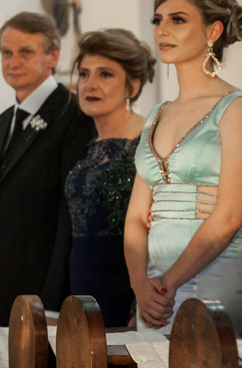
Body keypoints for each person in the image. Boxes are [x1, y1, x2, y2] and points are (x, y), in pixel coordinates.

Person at [126, 0, 242, 333]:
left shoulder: (238, 108)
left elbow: (229, 216)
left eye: (178, 20)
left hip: (215, 278)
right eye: (157, 20)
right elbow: (135, 217)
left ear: (213, 31)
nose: (162, 30)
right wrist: (140, 285)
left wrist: (167, 284)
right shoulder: (156, 115)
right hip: (152, 289)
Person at [0, 11, 94, 326]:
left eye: (25, 52)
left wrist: (53, 301)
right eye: (6, 53)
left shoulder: (74, 116)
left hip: (42, 292)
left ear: (53, 56)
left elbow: (70, 215)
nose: (13, 62)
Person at [64, 28, 153, 327]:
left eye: (105, 74)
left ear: (132, 86)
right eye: (84, 74)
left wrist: (139, 304)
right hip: (81, 289)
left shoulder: (149, 139)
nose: (90, 84)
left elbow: (159, 230)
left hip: (127, 291)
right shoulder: (85, 143)